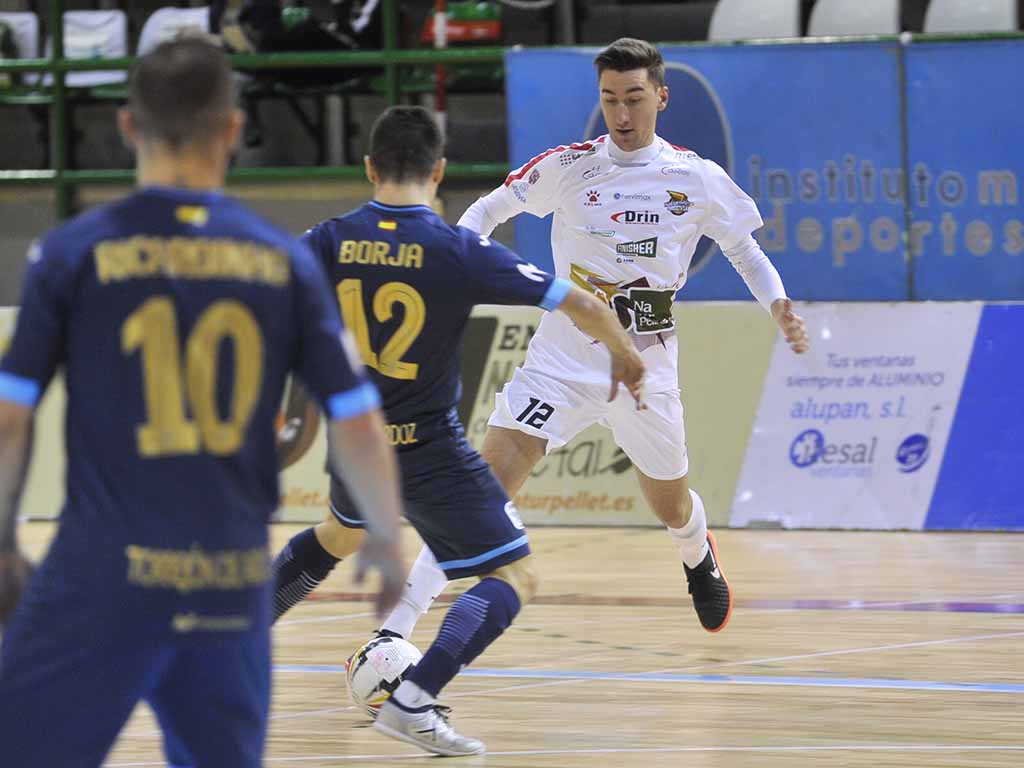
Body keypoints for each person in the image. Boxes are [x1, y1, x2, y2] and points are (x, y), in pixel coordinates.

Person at [0, 39, 406, 768]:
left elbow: (9, 418)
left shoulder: (70, 253)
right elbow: (358, 422)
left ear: (128, 126)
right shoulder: (283, 262)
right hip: (228, 582)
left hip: (102, 573)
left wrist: (2, 542)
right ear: (233, 128)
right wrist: (381, 536)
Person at [367, 36, 812, 645]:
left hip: (646, 366)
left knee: (671, 504)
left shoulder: (697, 178)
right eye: (610, 100)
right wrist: (453, 265)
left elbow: (744, 250)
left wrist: (778, 304)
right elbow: (487, 211)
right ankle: (395, 632)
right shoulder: (569, 167)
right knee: (482, 490)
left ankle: (695, 550)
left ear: (661, 97)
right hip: (562, 357)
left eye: (634, 98)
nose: (622, 114)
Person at [268, 104, 645, 755]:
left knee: (337, 535)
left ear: (370, 167)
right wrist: (625, 352)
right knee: (512, 578)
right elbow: (579, 302)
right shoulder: (457, 249)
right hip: (428, 452)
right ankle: (413, 700)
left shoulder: (326, 241)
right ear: (439, 171)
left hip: (356, 443)